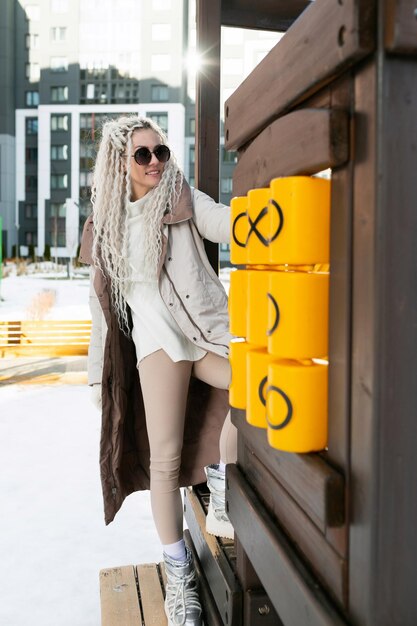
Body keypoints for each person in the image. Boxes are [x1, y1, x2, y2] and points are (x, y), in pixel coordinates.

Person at [79, 115, 237, 626]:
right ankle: (179, 573)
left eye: (161, 152)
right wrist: (96, 379)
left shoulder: (181, 197)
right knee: (165, 461)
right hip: (158, 350)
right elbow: (102, 312)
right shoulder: (105, 226)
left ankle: (221, 480)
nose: (154, 162)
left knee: (255, 382)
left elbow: (218, 221)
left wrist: (250, 221)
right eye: (143, 154)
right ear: (120, 163)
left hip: (204, 333)